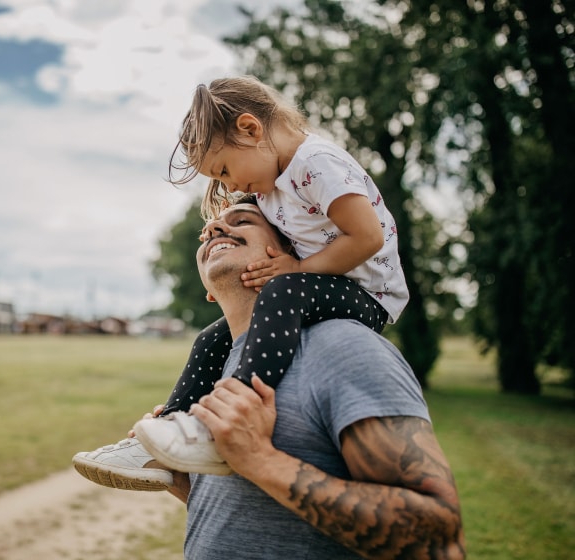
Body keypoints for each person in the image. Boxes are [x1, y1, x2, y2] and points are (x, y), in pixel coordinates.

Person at [74, 75, 409, 481]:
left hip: (368, 293)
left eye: (225, 169)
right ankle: (167, 434)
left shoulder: (317, 163)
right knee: (211, 338)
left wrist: (298, 270)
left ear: (250, 129)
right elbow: (247, 227)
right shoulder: (273, 184)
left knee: (285, 288)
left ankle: (229, 418)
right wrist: (218, 234)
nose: (229, 185)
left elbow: (367, 237)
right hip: (322, 286)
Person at [157, 198, 464, 559]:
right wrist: (184, 480)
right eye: (206, 231)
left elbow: (438, 539)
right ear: (209, 291)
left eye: (243, 221)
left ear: (292, 251)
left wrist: (260, 458)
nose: (215, 229)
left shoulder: (344, 347)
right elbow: (260, 514)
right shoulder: (220, 364)